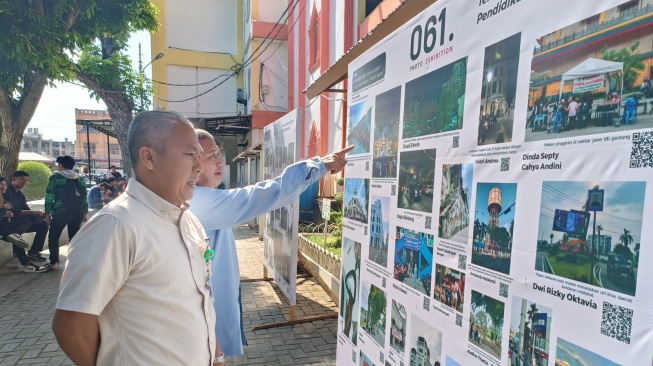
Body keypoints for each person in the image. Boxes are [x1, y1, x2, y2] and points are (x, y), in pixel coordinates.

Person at [53, 111, 224, 366]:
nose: (199, 167)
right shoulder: (115, 226)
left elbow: (201, 301)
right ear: (149, 157)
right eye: (190, 154)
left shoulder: (189, 221)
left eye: (199, 155)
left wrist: (217, 356)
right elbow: (71, 327)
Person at [189, 128, 351, 357]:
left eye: (219, 154)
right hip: (202, 338)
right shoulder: (197, 202)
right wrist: (318, 167)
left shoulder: (201, 199)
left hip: (207, 334)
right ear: (191, 164)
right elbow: (255, 197)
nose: (220, 161)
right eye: (212, 155)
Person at [43, 155, 88, 271]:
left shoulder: (55, 177)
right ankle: (75, 261)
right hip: (77, 211)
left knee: (53, 236)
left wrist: (47, 212)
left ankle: (54, 262)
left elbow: (49, 196)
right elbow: (84, 196)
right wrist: (84, 212)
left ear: (61, 165)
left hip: (60, 211)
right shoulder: (80, 178)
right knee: (74, 237)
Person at [2, 171, 50, 262]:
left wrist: (41, 215)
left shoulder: (20, 195)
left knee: (43, 224)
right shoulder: (7, 192)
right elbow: (12, 212)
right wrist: (33, 213)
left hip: (19, 223)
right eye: (22, 179)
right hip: (8, 222)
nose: (25, 182)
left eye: (27, 180)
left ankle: (33, 252)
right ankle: (14, 244)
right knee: (27, 221)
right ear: (14, 179)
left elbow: (27, 209)